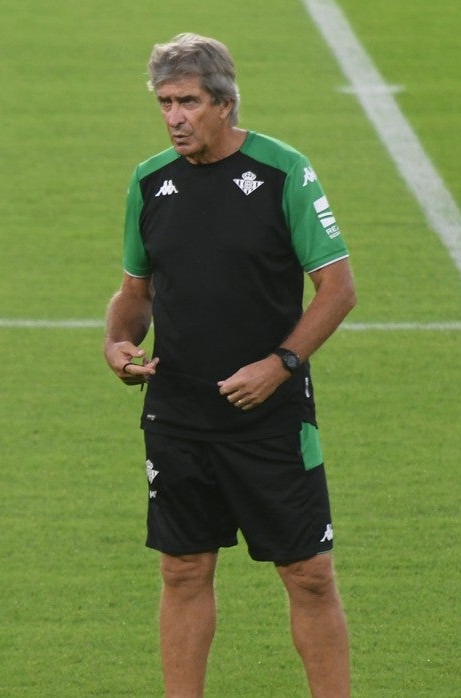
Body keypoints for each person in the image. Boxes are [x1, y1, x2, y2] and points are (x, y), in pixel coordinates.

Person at [103, 34, 357, 697]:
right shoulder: (149, 180)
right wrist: (117, 346)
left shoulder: (283, 173)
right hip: (178, 413)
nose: (174, 117)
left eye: (188, 102)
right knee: (183, 570)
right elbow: (135, 293)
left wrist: (280, 364)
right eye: (165, 103)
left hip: (270, 416)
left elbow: (338, 289)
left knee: (308, 574)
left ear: (223, 102)